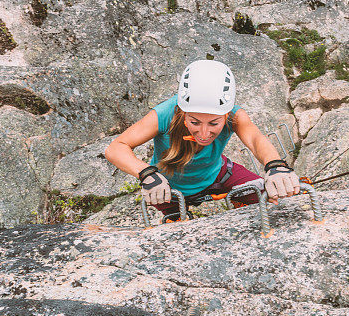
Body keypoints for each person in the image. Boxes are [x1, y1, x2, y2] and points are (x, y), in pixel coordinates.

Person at [105, 59, 301, 221]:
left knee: (274, 205)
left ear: (225, 116)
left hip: (218, 175)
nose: (204, 133)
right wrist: (147, 174)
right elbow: (116, 148)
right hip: (167, 189)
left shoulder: (234, 115)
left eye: (214, 123)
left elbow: (256, 138)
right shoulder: (165, 114)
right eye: (195, 122)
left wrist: (275, 166)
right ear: (182, 112)